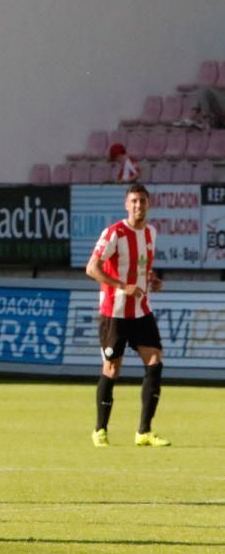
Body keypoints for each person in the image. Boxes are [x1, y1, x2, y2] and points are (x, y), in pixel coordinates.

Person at [85, 183, 170, 448]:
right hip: (115, 312)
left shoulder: (151, 233)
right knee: (112, 368)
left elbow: (142, 268)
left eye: (142, 201)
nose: (138, 206)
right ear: (126, 204)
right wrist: (122, 286)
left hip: (142, 309)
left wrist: (152, 280)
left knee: (155, 360)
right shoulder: (115, 233)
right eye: (133, 201)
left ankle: (144, 431)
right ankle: (100, 429)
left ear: (148, 204)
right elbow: (92, 268)